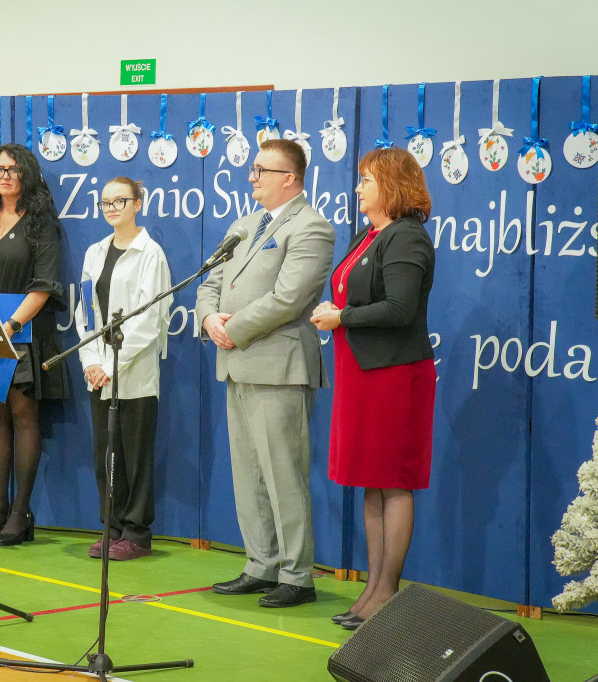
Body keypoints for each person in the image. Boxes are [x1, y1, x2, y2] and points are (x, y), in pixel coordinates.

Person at [195, 138, 335, 608]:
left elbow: (290, 298)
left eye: (261, 170)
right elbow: (210, 280)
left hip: (278, 365)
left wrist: (235, 330)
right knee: (248, 473)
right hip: (236, 364)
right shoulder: (244, 224)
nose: (251, 177)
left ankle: (297, 575)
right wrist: (209, 318)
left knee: (283, 474)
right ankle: (261, 564)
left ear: (288, 178)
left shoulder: (312, 227)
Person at [311, 147, 436, 630]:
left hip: (394, 377)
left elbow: (399, 309)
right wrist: (337, 311)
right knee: (371, 481)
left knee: (394, 481)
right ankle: (372, 588)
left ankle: (388, 593)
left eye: (366, 179)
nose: (358, 187)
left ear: (392, 185)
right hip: (361, 374)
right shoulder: (370, 234)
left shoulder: (407, 237)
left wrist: (341, 317)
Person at [0, 143, 69, 547]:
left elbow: (44, 284)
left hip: (23, 333)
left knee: (25, 417)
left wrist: (10, 325)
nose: (5, 175)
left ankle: (20, 513)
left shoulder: (40, 222)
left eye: (13, 169)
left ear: (26, 174)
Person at [74, 177, 172, 561]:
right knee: (106, 452)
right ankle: (111, 525)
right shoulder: (95, 252)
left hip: (135, 373)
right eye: (105, 203)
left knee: (135, 454)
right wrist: (92, 361)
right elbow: (85, 311)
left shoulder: (152, 254)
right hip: (99, 372)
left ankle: (137, 532)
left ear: (138, 204)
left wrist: (113, 365)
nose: (112, 208)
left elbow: (149, 321)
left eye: (120, 201)